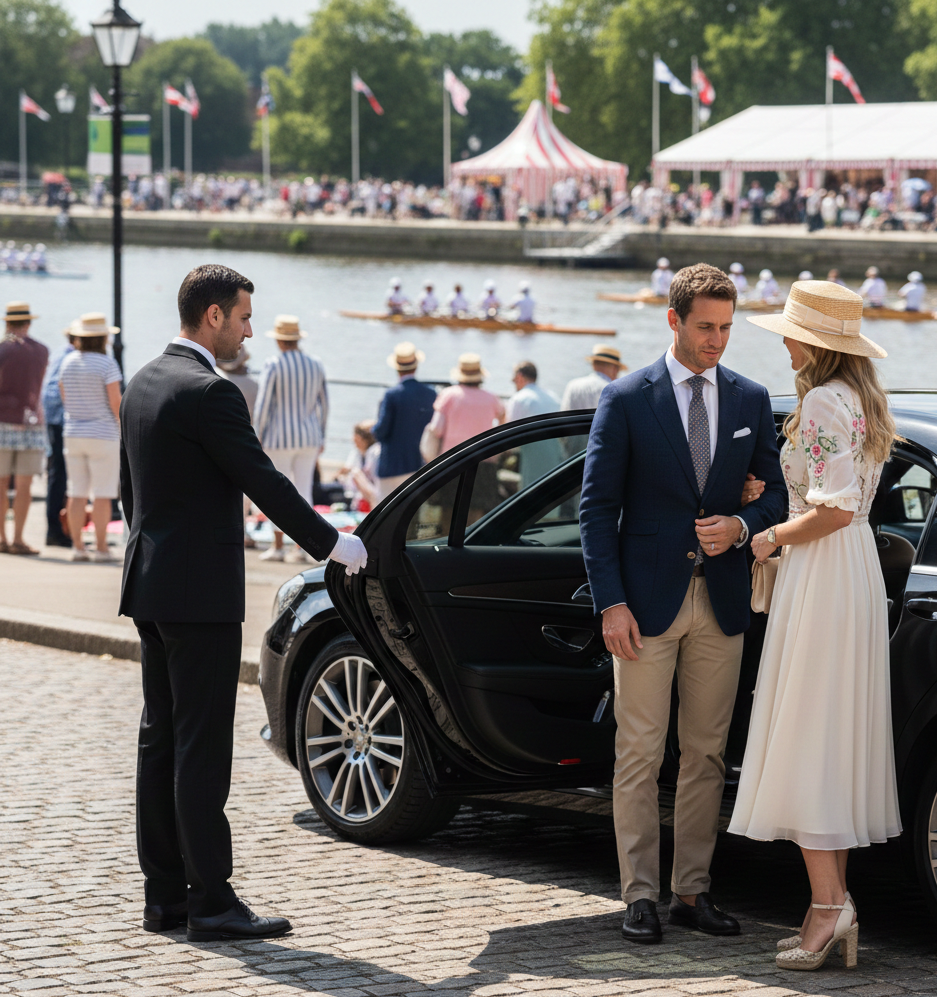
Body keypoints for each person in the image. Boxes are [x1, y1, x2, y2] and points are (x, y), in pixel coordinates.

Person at [119, 264, 367, 942]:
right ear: (212, 317)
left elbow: (128, 493)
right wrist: (333, 543)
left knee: (160, 739)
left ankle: (165, 896)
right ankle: (213, 901)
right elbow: (263, 478)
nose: (250, 328)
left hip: (149, 582)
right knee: (200, 747)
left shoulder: (141, 381)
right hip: (199, 592)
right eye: (243, 315)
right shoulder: (211, 391)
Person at [579, 263, 787, 945]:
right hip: (642, 606)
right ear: (672, 320)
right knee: (638, 752)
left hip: (721, 602)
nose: (716, 341)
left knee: (703, 754)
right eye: (705, 327)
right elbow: (594, 507)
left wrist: (744, 527)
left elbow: (780, 496)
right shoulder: (626, 396)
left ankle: (690, 894)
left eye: (726, 328)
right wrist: (610, 602)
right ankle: (637, 894)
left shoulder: (751, 397)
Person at [733, 280, 901, 970]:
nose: (782, 340)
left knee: (809, 733)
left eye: (789, 331)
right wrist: (783, 493)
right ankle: (828, 902)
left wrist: (769, 534)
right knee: (824, 732)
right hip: (845, 566)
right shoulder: (856, 399)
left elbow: (830, 509)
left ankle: (830, 907)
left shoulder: (826, 400)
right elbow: (835, 496)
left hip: (823, 565)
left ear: (814, 342)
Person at [253, 315, 329, 563]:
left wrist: (257, 435)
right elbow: (324, 404)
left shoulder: (274, 364)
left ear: (279, 340)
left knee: (278, 493)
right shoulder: (316, 363)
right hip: (309, 436)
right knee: (304, 490)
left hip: (279, 438)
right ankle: (306, 547)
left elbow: (263, 405)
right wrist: (322, 434)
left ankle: (278, 547)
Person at [59, 313, 123, 562]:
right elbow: (115, 402)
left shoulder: (68, 362)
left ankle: (78, 547)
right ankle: (101, 548)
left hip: (73, 431)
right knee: (103, 493)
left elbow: (65, 399)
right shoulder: (107, 365)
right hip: (103, 433)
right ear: (103, 338)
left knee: (77, 492)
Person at [425, 353, 505, 521]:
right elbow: (503, 421)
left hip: (453, 461)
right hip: (483, 463)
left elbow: (436, 429)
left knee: (449, 513)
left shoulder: (449, 395)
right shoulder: (491, 398)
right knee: (476, 514)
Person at [0, 301, 49, 556]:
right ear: (28, 323)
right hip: (32, 422)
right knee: (24, 486)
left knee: (0, 484)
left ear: (7, 322)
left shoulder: (2, 349)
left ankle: (1, 538)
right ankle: (18, 538)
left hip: (2, 421)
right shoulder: (41, 350)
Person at [371, 342, 436, 500]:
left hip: (392, 465)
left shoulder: (392, 395)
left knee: (384, 516)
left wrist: (372, 430)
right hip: (419, 466)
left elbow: (381, 431)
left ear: (397, 368)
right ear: (416, 366)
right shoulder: (431, 394)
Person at [217, 344, 259, 548]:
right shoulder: (253, 384)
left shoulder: (217, 379)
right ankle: (241, 528)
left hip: (220, 438)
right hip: (246, 437)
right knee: (244, 489)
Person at [41, 327, 79, 547]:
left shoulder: (61, 354)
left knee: (61, 477)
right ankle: (55, 530)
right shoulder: (69, 356)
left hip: (58, 422)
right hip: (61, 423)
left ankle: (59, 530)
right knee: (60, 477)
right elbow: (53, 394)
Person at [561, 346, 627, 410]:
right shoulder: (614, 390)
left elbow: (564, 414)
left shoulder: (572, 385)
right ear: (615, 369)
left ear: (593, 365)